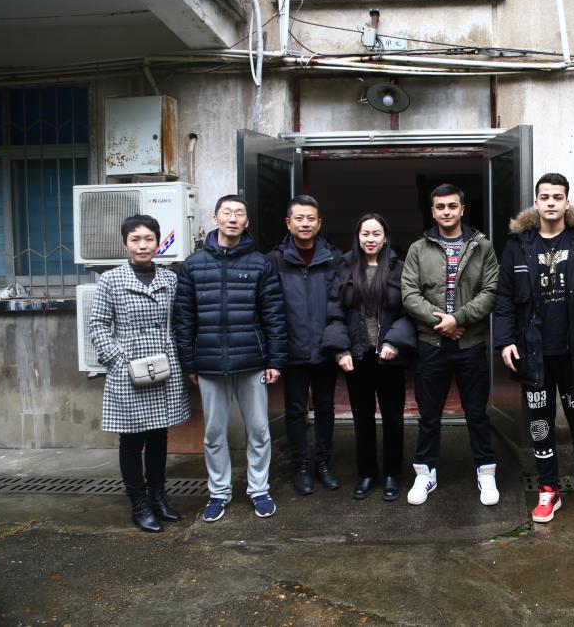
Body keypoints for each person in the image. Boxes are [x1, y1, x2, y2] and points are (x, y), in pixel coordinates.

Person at [495, 173, 574, 524]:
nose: (550, 203)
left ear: (567, 202)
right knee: (540, 427)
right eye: (544, 197)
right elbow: (504, 298)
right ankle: (549, 489)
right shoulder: (518, 245)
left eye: (557, 197)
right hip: (533, 355)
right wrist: (505, 341)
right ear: (536, 202)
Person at [173, 194, 287, 522]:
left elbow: (274, 315)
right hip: (209, 362)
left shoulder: (260, 263)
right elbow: (184, 318)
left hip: (252, 361)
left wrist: (275, 360)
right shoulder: (193, 265)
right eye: (227, 213)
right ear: (215, 218)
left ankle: (259, 489)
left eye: (239, 214)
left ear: (247, 222)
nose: (233, 218)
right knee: (213, 433)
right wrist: (189, 362)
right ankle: (219, 492)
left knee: (259, 430)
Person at [89, 214, 191, 533]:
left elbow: (179, 320)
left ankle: (158, 496)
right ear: (125, 244)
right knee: (132, 438)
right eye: (135, 239)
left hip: (164, 364)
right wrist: (117, 358)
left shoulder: (171, 279)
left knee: (160, 434)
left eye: (149, 239)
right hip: (128, 367)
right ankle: (139, 503)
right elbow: (98, 324)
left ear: (158, 243)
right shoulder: (111, 280)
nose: (143, 245)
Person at [401, 184, 500, 506]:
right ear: (432, 211)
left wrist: (457, 319)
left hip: (470, 343)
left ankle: (486, 471)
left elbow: (490, 291)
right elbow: (409, 294)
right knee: (429, 415)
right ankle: (425, 472)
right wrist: (443, 324)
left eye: (452, 206)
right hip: (431, 343)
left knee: (477, 413)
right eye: (440, 206)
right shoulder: (418, 248)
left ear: (462, 209)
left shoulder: (482, 246)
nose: (446, 211)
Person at [323, 213, 416, 501]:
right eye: (366, 234)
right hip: (357, 356)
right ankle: (366, 474)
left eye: (376, 234)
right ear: (358, 236)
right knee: (362, 418)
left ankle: (391, 474)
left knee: (393, 418)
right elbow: (334, 310)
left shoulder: (399, 268)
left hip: (389, 357)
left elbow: (409, 311)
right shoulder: (344, 266)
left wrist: (394, 342)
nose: (371, 239)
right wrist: (340, 349)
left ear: (385, 237)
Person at [267, 195, 343, 496]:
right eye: (299, 218)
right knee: (296, 411)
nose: (305, 223)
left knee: (325, 409)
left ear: (319, 223)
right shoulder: (274, 261)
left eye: (311, 218)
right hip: (293, 349)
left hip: (325, 349)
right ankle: (300, 466)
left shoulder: (334, 259)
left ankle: (324, 463)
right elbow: (269, 308)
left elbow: (341, 304)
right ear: (288, 223)